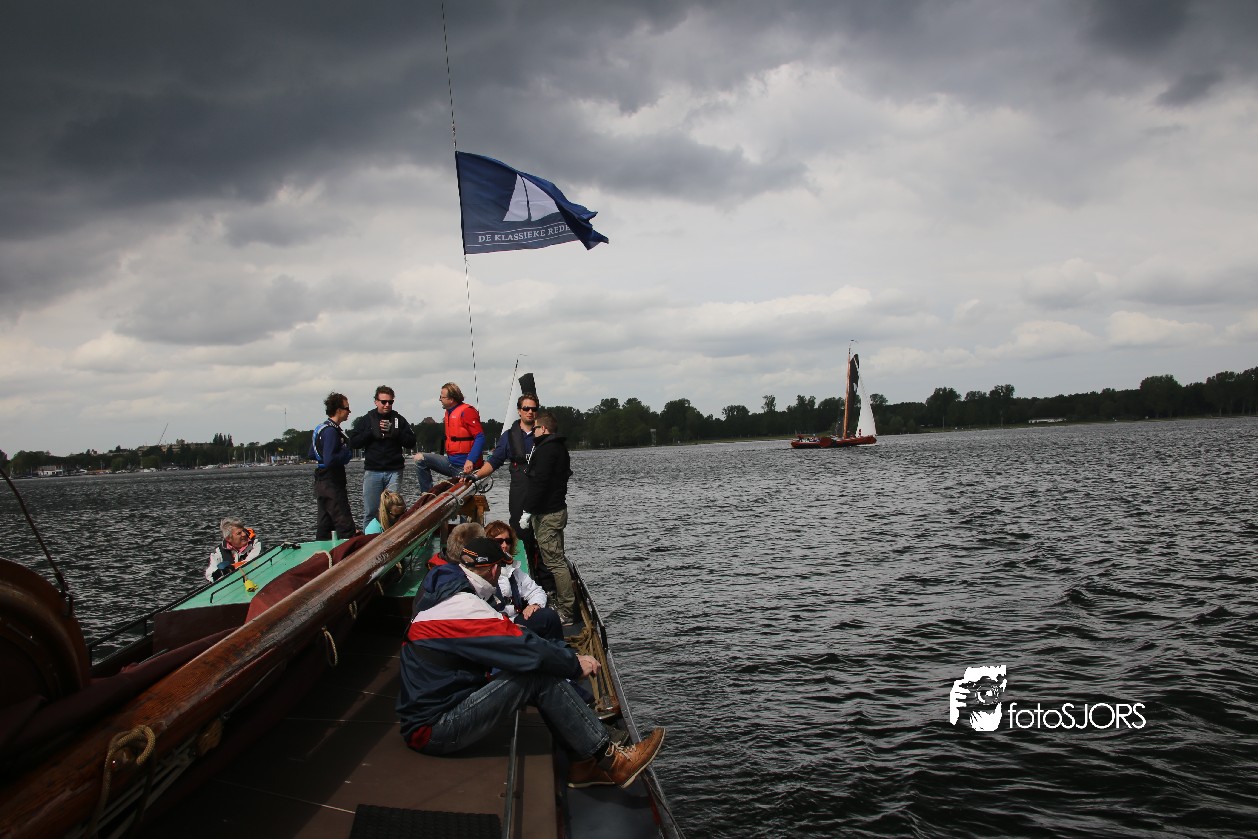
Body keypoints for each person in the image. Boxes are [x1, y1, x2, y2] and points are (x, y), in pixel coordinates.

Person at [397, 536, 665, 788]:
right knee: (537, 674)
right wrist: (573, 664)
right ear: (494, 570)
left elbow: (508, 639)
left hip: (437, 703)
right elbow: (525, 648)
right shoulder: (463, 607)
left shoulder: (441, 586)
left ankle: (583, 764)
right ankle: (612, 762)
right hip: (433, 728)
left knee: (535, 665)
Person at [472, 392, 541, 574]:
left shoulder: (544, 433)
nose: (530, 412)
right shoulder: (509, 436)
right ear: (519, 411)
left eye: (534, 409)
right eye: (526, 408)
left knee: (544, 535)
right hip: (519, 491)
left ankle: (542, 572)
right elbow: (494, 462)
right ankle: (523, 570)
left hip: (542, 492)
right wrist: (476, 476)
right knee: (519, 531)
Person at [520, 411, 574, 624]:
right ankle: (562, 602)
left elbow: (540, 483)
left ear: (543, 429)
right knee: (556, 558)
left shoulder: (546, 450)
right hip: (557, 510)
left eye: (535, 428)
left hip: (548, 514)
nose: (533, 432)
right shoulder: (558, 447)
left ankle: (567, 610)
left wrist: (527, 510)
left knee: (555, 562)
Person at [349, 385, 416, 526]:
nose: (387, 405)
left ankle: (393, 536)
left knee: (394, 511)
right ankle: (369, 538)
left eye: (390, 402)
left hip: (394, 471)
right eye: (383, 402)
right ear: (376, 402)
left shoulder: (398, 420)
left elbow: (411, 442)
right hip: (373, 471)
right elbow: (354, 442)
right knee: (371, 511)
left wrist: (395, 432)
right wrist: (371, 431)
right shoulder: (367, 419)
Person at [484, 520, 562, 641]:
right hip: (493, 626)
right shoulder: (482, 572)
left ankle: (558, 650)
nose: (504, 545)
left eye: (508, 541)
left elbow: (536, 591)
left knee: (549, 616)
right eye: (499, 541)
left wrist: (534, 605)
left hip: (514, 619)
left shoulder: (513, 570)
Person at [414, 382, 484, 493]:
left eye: (442, 397)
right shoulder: (448, 412)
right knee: (419, 459)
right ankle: (427, 495)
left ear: (451, 399)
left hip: (464, 467)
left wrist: (470, 460)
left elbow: (480, 437)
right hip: (451, 462)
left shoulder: (467, 411)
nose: (439, 399)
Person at [310, 392, 357, 540]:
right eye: (347, 408)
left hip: (321, 481)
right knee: (345, 524)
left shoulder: (320, 428)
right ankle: (352, 551)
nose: (349, 411)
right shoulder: (331, 431)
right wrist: (346, 453)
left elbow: (312, 454)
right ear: (338, 410)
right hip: (332, 482)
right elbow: (330, 460)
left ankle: (320, 550)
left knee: (325, 524)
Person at [204, 517, 261, 582]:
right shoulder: (218, 552)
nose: (244, 534)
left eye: (243, 531)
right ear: (228, 538)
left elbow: (251, 562)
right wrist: (219, 574)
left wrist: (231, 568)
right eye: (239, 533)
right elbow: (209, 574)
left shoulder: (256, 544)